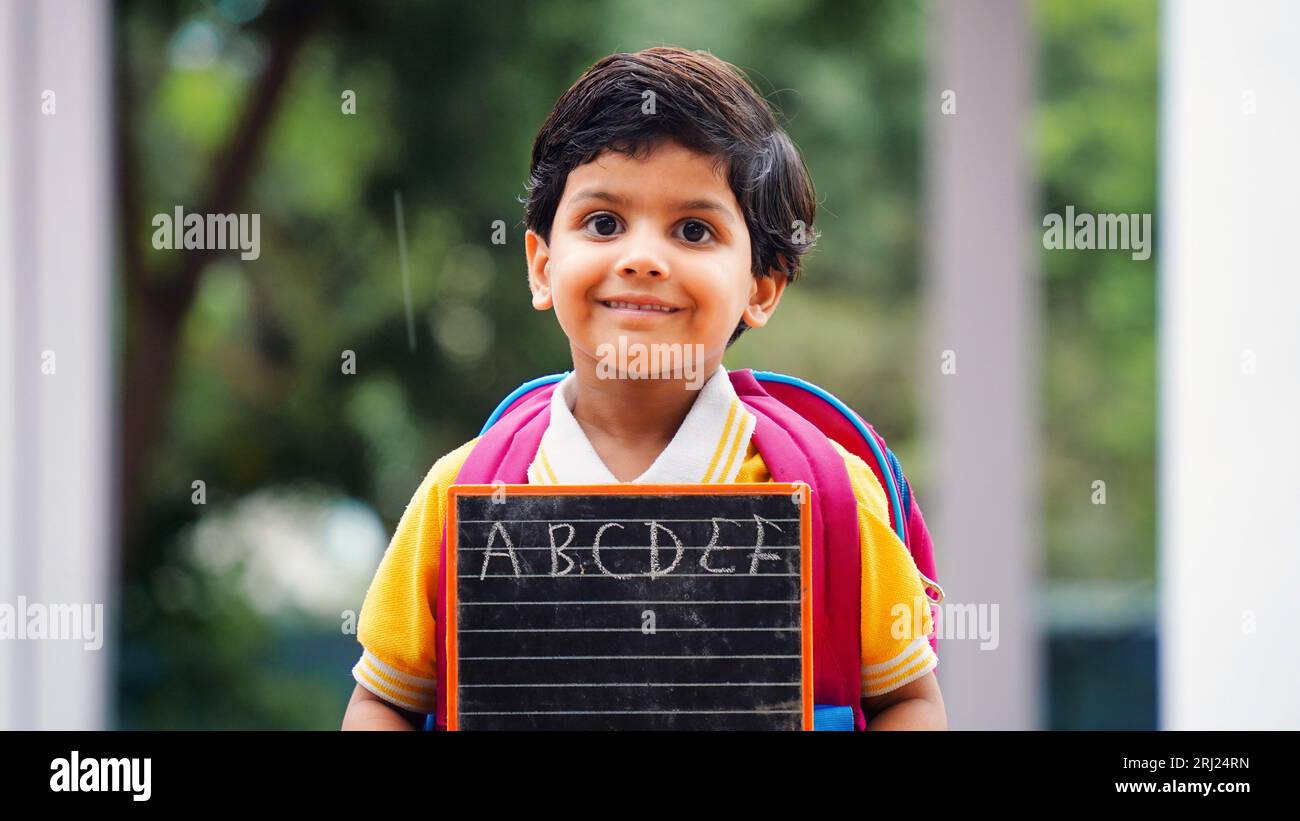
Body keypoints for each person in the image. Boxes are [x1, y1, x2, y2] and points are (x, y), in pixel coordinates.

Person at [341, 46, 945, 731]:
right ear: (542, 265)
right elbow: (385, 698)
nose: (641, 258)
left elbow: (904, 697)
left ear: (761, 287)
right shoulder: (461, 492)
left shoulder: (831, 494)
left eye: (694, 230)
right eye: (603, 223)